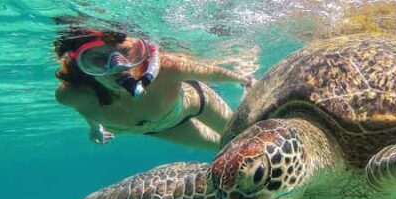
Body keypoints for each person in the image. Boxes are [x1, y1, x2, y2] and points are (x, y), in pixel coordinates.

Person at [54, 27, 253, 151]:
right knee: (227, 149)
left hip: (197, 103)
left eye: (124, 52)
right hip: (164, 128)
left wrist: (244, 80)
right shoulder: (71, 95)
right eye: (97, 59)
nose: (118, 66)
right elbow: (84, 109)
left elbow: (212, 73)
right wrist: (95, 128)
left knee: (246, 139)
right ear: (81, 66)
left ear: (139, 50)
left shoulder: (166, 68)